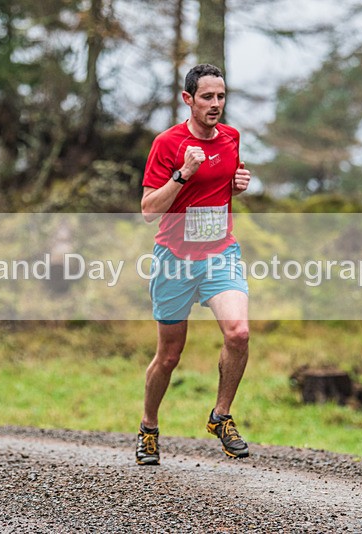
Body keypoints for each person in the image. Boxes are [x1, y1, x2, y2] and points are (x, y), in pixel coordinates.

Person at [136, 64, 252, 465]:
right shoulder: (167, 143)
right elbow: (149, 210)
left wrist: (239, 182)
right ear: (188, 99)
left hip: (221, 254)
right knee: (169, 356)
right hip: (175, 261)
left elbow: (225, 182)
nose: (216, 104)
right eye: (207, 97)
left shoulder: (233, 137)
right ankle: (149, 426)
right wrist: (183, 174)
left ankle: (221, 416)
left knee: (238, 333)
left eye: (221, 96)